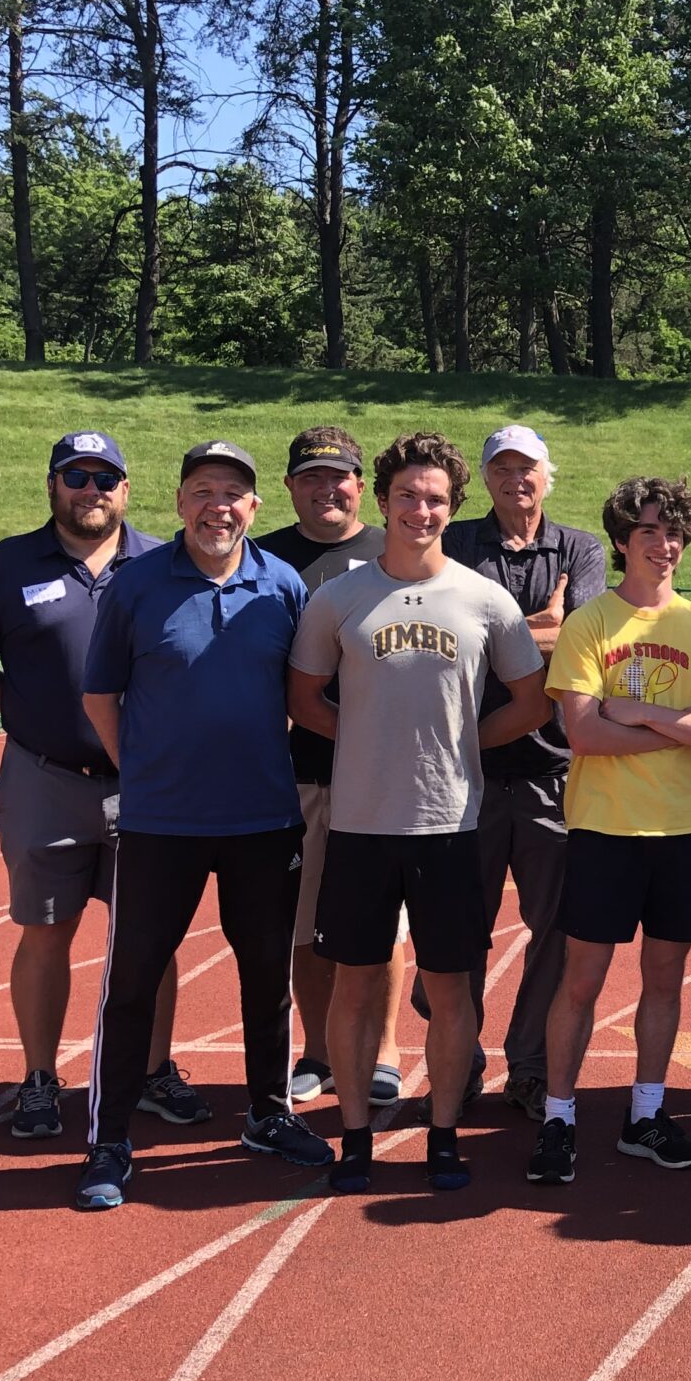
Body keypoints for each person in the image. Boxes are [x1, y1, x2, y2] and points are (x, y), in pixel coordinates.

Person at [74, 440, 332, 1211]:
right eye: (203, 490)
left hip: (263, 819)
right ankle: (110, 1139)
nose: (219, 505)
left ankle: (267, 1113)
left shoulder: (282, 585)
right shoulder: (135, 585)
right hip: (161, 824)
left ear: (255, 508)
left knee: (266, 978)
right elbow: (100, 696)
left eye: (234, 494)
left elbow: (303, 692)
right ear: (179, 502)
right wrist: (146, 774)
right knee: (133, 980)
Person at [288, 432, 549, 1194]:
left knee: (451, 985)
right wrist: (368, 736)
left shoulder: (486, 599)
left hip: (452, 823)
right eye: (407, 495)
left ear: (452, 507)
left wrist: (468, 740)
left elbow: (530, 702)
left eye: (435, 498)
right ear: (384, 500)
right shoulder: (339, 597)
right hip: (361, 824)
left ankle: (441, 1135)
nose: (421, 509)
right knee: (356, 982)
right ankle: (357, 1139)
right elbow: (305, 699)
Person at [0, 431, 207, 1140]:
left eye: (105, 479)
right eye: (76, 477)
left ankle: (152, 1071)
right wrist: (28, 712)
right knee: (45, 933)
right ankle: (38, 1077)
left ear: (127, 490)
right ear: (53, 484)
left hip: (149, 784)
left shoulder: (166, 561)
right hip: (45, 780)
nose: (90, 491)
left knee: (150, 938)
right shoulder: (6, 563)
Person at [532, 477, 691, 1184]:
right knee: (582, 980)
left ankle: (645, 1115)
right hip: (604, 830)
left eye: (675, 531)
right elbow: (584, 736)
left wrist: (646, 715)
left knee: (665, 981)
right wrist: (681, 731)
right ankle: (558, 1118)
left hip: (681, 832)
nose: (665, 544)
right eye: (649, 531)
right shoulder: (592, 622)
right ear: (623, 540)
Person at [444, 424, 607, 1119]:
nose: (517, 479)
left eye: (528, 468)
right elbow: (446, 632)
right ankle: (459, 1051)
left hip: (552, 773)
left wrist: (506, 629)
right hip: (463, 772)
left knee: (558, 930)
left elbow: (586, 635)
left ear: (550, 475)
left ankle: (531, 1065)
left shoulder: (582, 548)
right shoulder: (453, 544)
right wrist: (537, 626)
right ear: (485, 479)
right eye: (502, 468)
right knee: (455, 929)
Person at [252, 426, 401, 1110]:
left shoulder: (396, 551)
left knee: (386, 924)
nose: (325, 489)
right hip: (300, 771)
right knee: (307, 925)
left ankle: (387, 1050)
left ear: (360, 486)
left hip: (391, 777)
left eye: (337, 477)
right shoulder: (263, 558)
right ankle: (315, 1050)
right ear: (287, 488)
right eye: (310, 478)